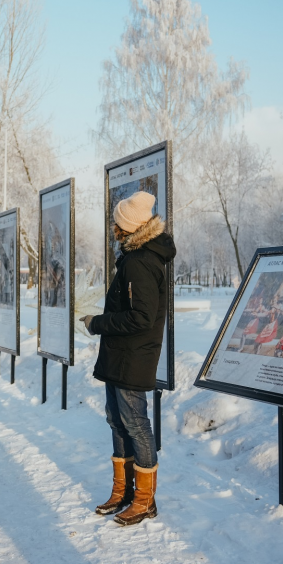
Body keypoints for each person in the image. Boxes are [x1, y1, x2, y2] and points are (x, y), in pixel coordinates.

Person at [80, 191, 175, 527]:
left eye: (116, 222)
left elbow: (141, 318)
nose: (112, 227)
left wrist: (97, 323)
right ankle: (122, 491)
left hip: (133, 358)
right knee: (117, 422)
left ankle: (145, 500)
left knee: (136, 425)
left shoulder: (140, 262)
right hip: (120, 356)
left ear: (127, 226)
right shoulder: (134, 257)